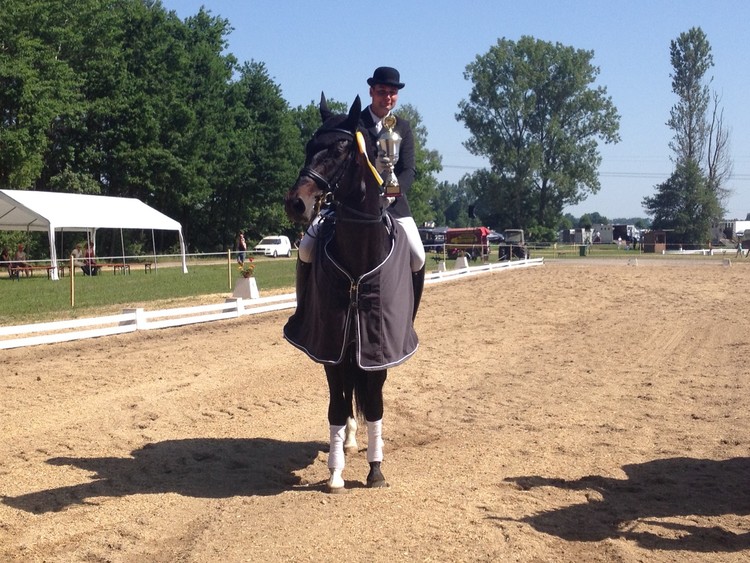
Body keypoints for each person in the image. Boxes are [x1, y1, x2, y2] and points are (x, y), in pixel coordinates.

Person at [298, 66, 426, 317]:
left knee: (418, 256)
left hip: (393, 204)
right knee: (306, 248)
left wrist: (391, 193)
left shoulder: (403, 127)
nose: (387, 97)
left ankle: (409, 319)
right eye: (381, 92)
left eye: (392, 93)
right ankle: (303, 312)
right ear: (371, 91)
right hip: (349, 202)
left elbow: (408, 169)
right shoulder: (354, 122)